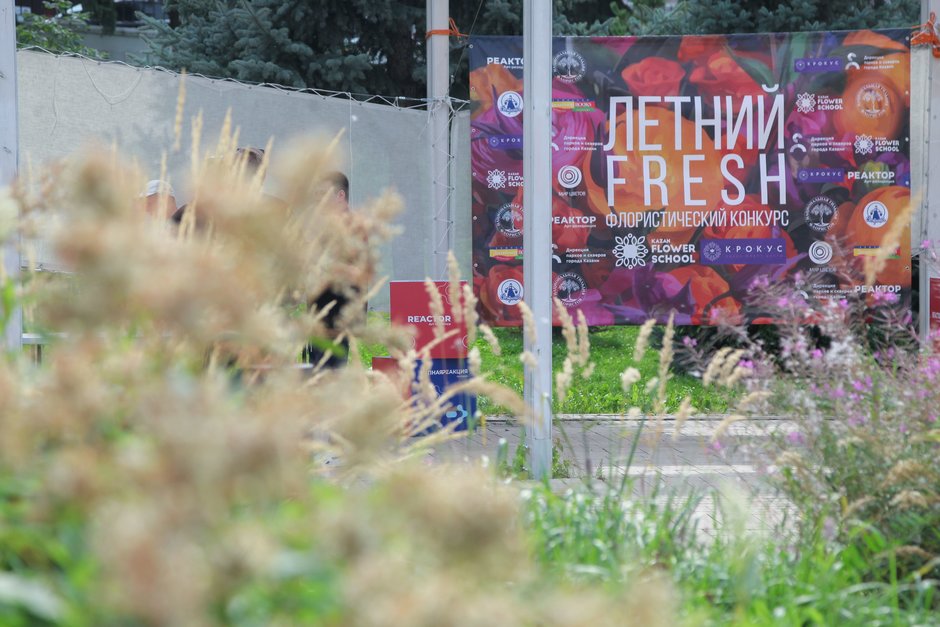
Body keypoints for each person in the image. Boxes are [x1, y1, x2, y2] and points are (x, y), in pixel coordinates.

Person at [302, 171, 371, 368]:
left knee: (330, 370)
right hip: (319, 310)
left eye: (323, 193)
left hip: (339, 312)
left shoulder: (353, 225)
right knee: (317, 368)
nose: (318, 199)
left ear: (340, 195)